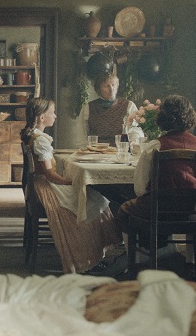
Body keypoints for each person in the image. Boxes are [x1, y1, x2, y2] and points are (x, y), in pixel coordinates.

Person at [20, 98, 121, 274]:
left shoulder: (36, 136)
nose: (55, 116)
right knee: (87, 202)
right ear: (42, 117)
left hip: (40, 184)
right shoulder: (40, 141)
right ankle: (86, 258)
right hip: (45, 186)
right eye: (52, 113)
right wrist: (70, 182)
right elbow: (50, 174)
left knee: (93, 198)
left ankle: (95, 255)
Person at [114, 95, 196, 259]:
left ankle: (135, 262)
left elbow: (140, 188)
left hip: (158, 209)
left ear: (163, 118)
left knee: (124, 211)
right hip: (191, 209)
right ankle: (191, 261)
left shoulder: (155, 146)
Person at [81, 72, 144, 146]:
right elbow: (81, 135)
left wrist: (133, 141)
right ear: (98, 89)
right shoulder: (89, 107)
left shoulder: (128, 106)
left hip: (120, 150)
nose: (111, 89)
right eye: (106, 86)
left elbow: (135, 130)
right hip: (95, 151)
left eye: (113, 85)